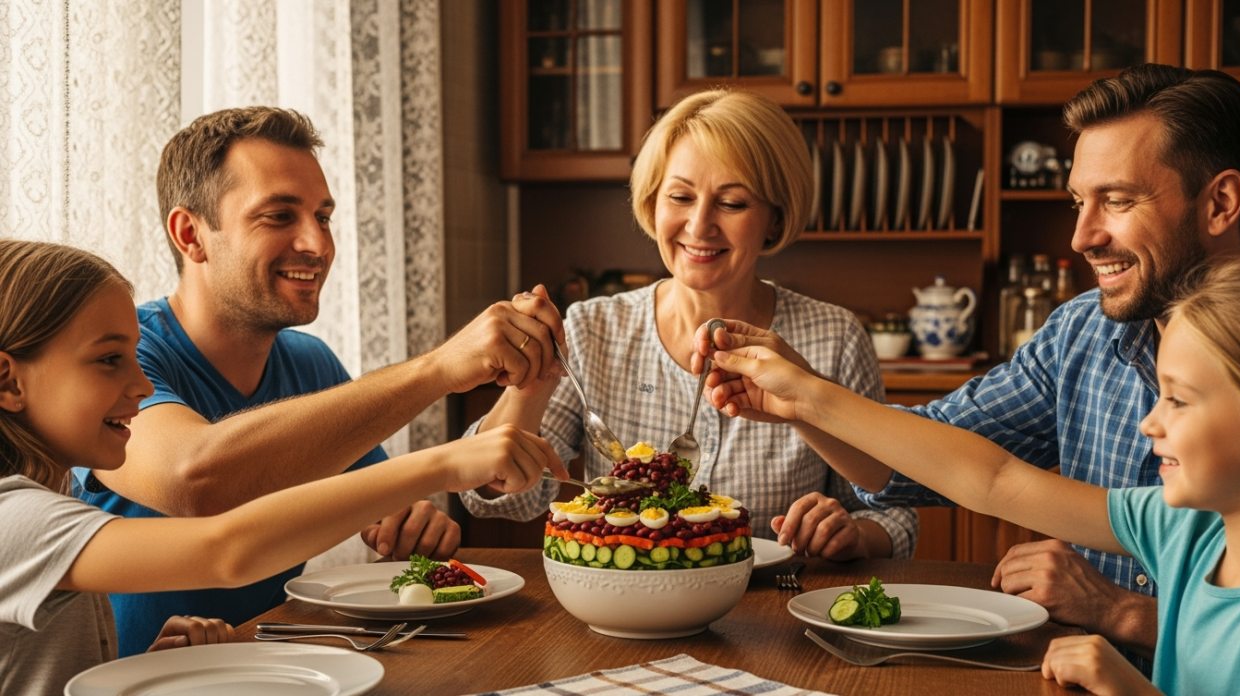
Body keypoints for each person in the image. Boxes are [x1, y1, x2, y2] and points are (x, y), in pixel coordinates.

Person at [693, 63, 1240, 670]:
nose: (1080, 236)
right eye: (1079, 201)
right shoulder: (1083, 330)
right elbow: (954, 466)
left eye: (1118, 201)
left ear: (1220, 203)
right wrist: (800, 400)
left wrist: (1122, 612)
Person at [72, 107, 567, 655]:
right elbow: (195, 480)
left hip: (265, 675)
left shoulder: (310, 364)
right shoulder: (122, 357)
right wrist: (440, 368)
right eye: (279, 216)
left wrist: (410, 522)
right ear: (192, 235)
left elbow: (384, 512)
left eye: (323, 217)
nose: (317, 243)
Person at [706, 253, 1240, 695]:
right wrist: (806, 399)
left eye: (1179, 400)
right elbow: (991, 477)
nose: (1149, 424)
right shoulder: (1184, 529)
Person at [0, 240, 562, 696]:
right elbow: (226, 548)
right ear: (8, 380)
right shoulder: (16, 518)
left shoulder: (49, 503)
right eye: (108, 360)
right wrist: (440, 463)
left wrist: (142, 667)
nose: (142, 385)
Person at [459, 89, 918, 560]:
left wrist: (853, 534)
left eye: (733, 203)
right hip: (629, 611)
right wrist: (529, 381)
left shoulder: (834, 338)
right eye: (680, 196)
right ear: (653, 203)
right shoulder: (592, 329)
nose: (699, 226)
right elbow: (495, 496)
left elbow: (895, 512)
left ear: (774, 220)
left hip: (778, 616)